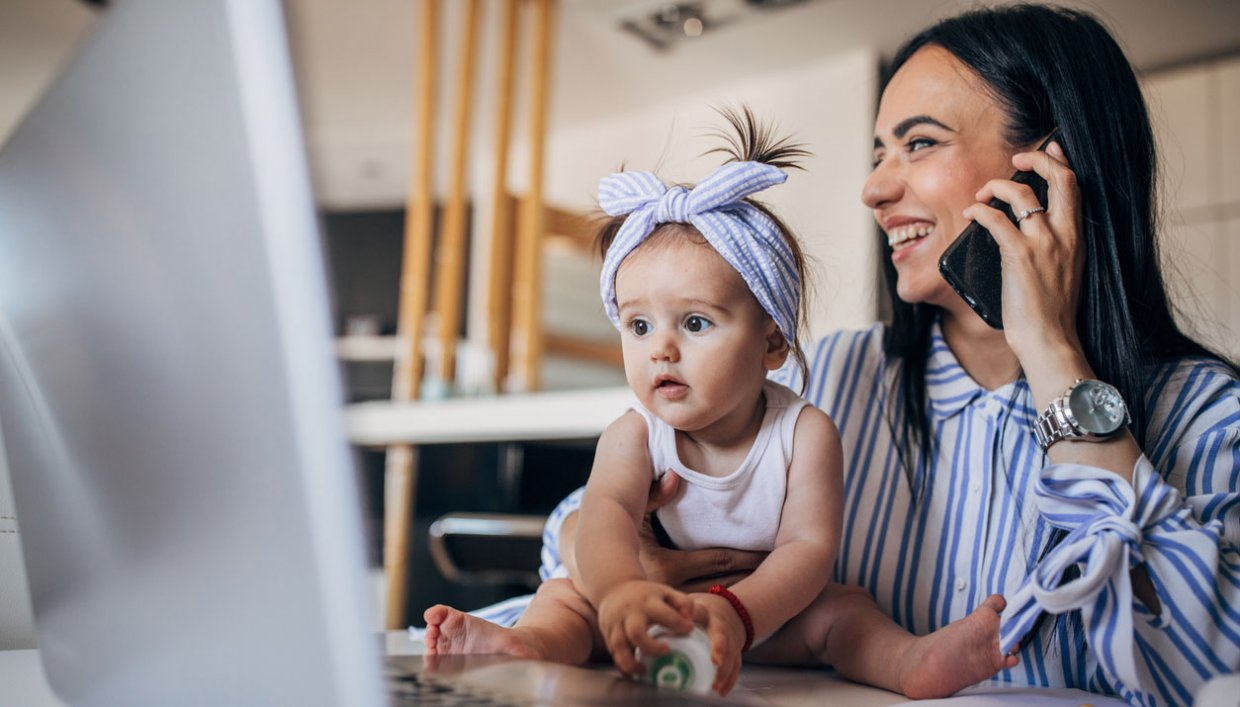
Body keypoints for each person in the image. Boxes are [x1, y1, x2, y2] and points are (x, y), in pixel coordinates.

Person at [531, 6, 1240, 706]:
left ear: (1049, 171)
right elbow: (575, 527)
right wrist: (636, 559)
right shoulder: (828, 376)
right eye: (878, 154)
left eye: (920, 144)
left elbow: (1212, 669)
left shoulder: (1206, 413)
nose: (874, 189)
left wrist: (1055, 355)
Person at [422, 113, 1016, 697]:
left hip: (760, 613)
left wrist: (737, 613)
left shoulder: (805, 433)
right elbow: (604, 519)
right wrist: (621, 592)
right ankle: (529, 644)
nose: (662, 350)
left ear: (772, 341)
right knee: (563, 599)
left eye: (696, 322)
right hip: (636, 609)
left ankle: (911, 662)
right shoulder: (634, 435)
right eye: (639, 326)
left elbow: (807, 551)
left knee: (844, 613)